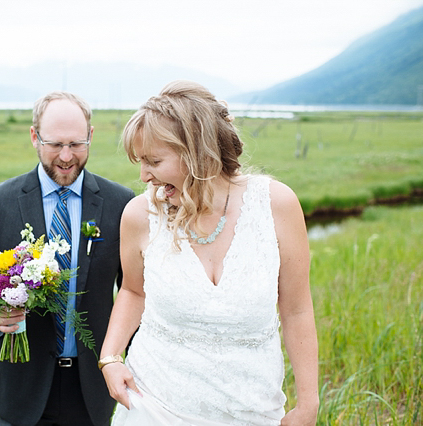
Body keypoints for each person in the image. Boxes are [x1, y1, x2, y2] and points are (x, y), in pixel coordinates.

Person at [99, 81, 319, 425]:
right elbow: (132, 291)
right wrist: (110, 357)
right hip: (153, 406)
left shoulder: (277, 206)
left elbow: (296, 310)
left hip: (251, 411)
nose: (144, 176)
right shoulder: (139, 215)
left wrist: (308, 403)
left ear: (198, 153)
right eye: (140, 162)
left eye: (154, 160)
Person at [0, 91, 135, 426]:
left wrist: (130, 358)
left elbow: (134, 291)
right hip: (19, 388)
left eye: (77, 144)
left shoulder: (121, 202)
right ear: (35, 137)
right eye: (55, 145)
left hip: (93, 386)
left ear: (91, 137)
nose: (66, 157)